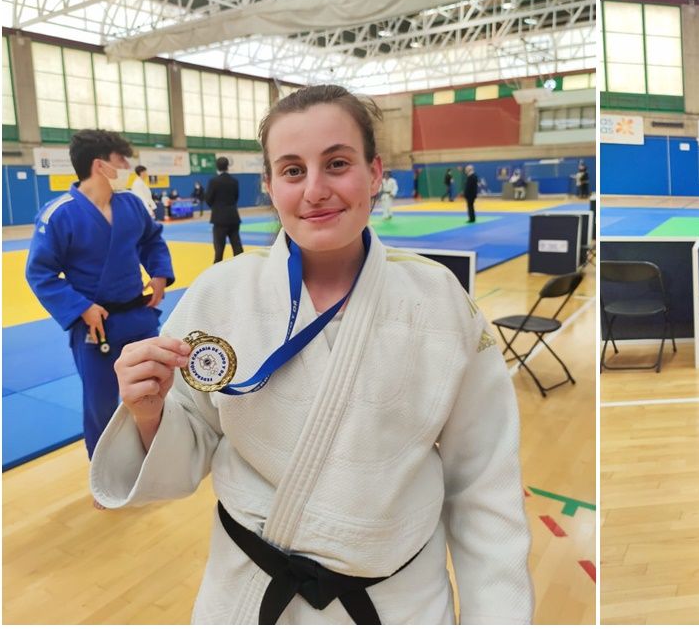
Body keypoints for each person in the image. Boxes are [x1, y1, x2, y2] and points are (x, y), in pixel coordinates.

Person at [89, 85, 533, 624]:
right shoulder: (220, 293)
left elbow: (485, 485)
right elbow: (189, 449)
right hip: (251, 596)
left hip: (397, 603)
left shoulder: (440, 303)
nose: (315, 189)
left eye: (337, 163)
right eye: (293, 170)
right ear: (271, 186)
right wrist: (148, 412)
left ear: (374, 173)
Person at [25, 129, 174, 508]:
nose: (126, 167)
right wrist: (80, 307)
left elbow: (152, 240)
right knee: (102, 404)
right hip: (97, 325)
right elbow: (39, 273)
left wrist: (158, 274)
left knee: (153, 390)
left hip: (138, 317)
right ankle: (105, 480)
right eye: (121, 160)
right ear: (100, 165)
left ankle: (151, 466)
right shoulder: (60, 214)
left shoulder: (131, 206)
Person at [205, 156, 243, 263]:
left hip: (219, 219)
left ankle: (216, 274)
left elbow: (208, 199)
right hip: (233, 217)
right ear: (227, 166)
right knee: (237, 248)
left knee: (219, 250)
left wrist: (217, 207)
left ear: (217, 167)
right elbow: (236, 197)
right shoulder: (234, 181)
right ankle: (242, 270)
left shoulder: (214, 181)